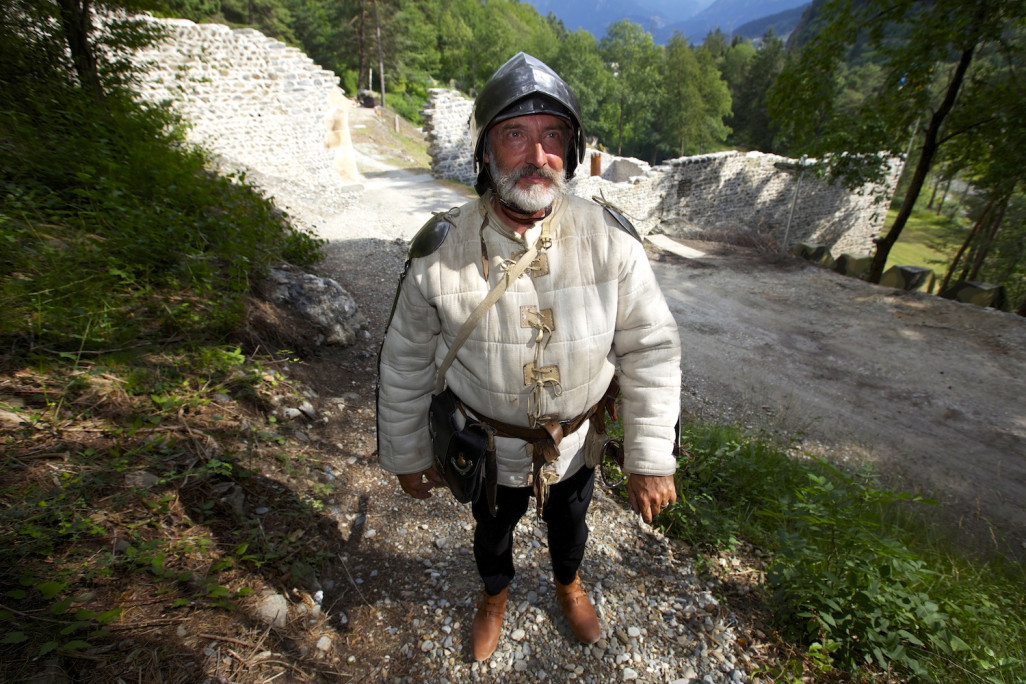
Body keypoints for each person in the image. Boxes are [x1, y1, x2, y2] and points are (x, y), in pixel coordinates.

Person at [376, 52, 681, 661]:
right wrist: (407, 453)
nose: (537, 155)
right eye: (516, 134)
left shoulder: (609, 239)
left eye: (552, 136)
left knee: (572, 526)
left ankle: (568, 584)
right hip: (485, 449)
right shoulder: (441, 251)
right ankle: (495, 596)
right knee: (491, 535)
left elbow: (651, 347)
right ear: (485, 151)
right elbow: (406, 360)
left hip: (574, 443)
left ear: (569, 152)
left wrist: (651, 456)